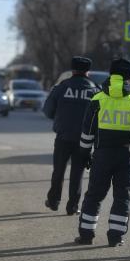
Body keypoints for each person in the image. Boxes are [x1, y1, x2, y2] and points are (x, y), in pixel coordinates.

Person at [74, 58, 130, 246]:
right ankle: (115, 238)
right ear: (129, 79)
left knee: (94, 195)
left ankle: (86, 235)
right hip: (127, 158)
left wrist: (84, 155)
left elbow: (87, 132)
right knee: (123, 197)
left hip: (101, 156)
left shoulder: (98, 99)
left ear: (111, 75)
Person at [43, 56, 99, 215]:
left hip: (63, 136)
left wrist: (60, 117)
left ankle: (54, 201)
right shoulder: (95, 90)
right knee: (77, 173)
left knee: (58, 170)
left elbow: (47, 111)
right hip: (84, 140)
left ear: (73, 70)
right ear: (88, 71)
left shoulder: (62, 87)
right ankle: (72, 206)